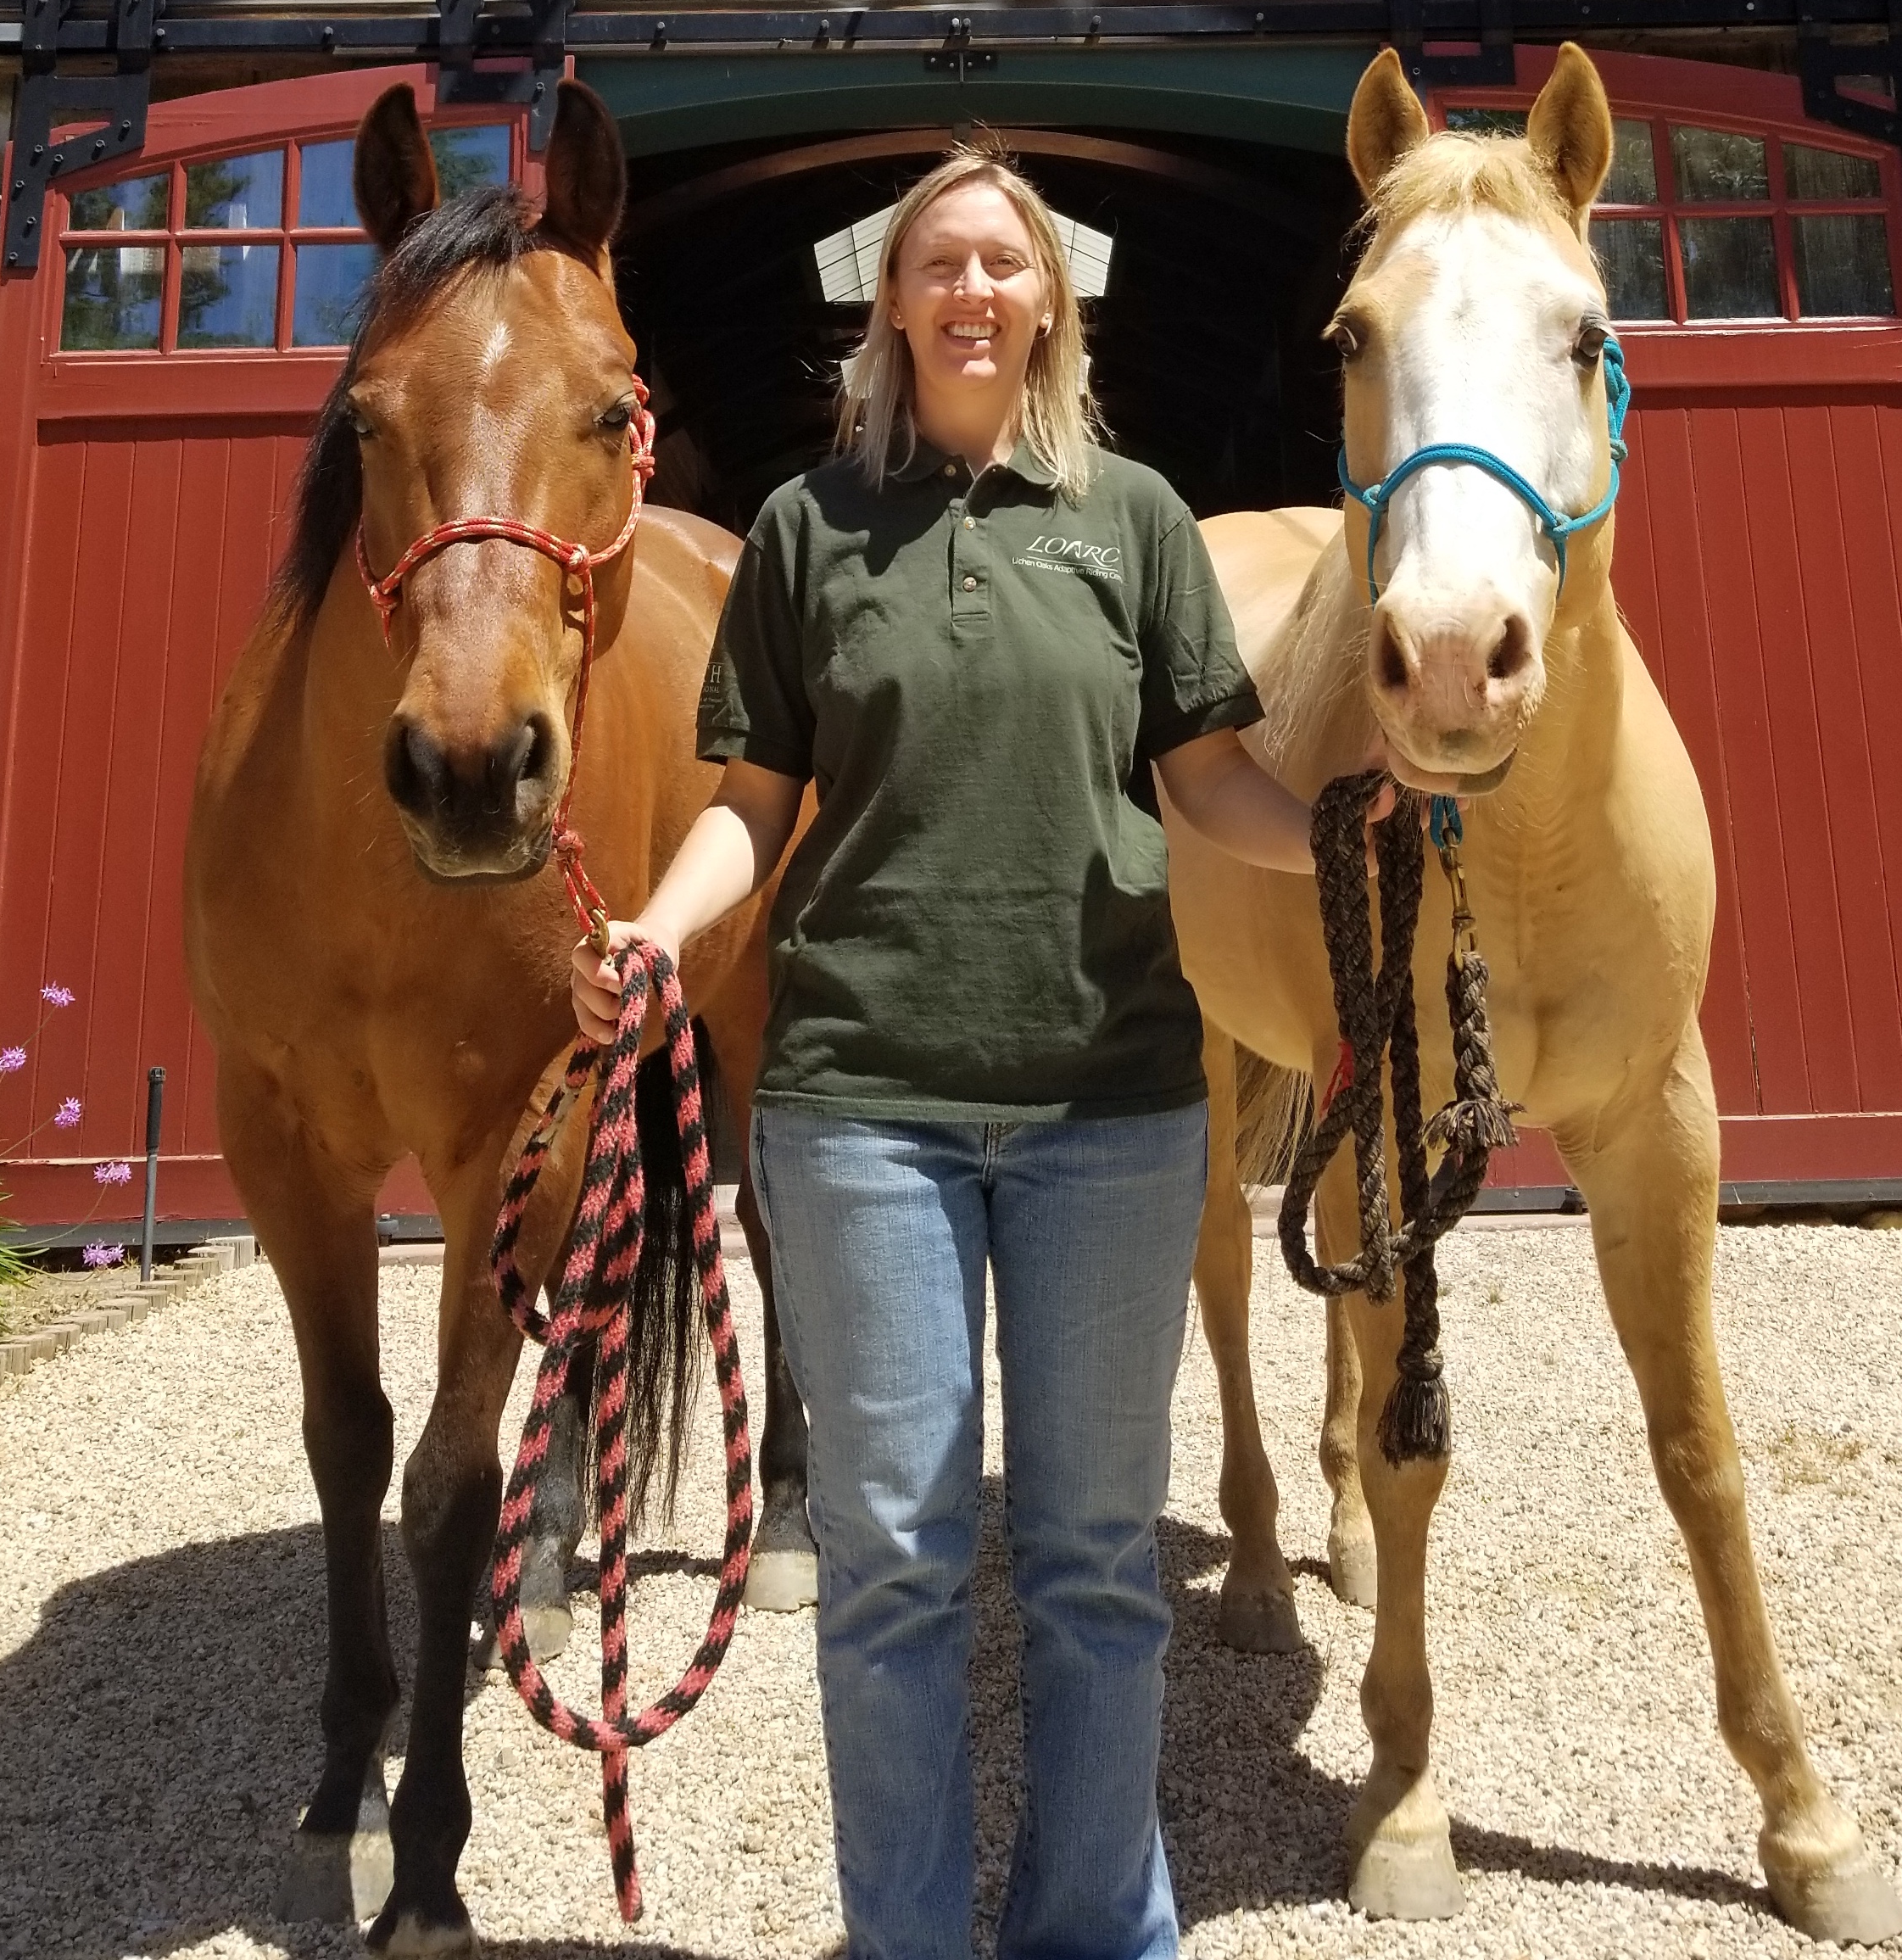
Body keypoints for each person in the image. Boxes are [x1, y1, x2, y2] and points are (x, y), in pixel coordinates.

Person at [572, 147, 1373, 1960]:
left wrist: (1346, 816)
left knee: (1097, 1567)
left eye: (1004, 262)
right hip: (865, 1112)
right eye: (940, 262)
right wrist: (655, 927)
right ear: (893, 307)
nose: (973, 289)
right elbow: (748, 802)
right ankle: (910, 1937)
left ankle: (1098, 1928)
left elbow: (1205, 779)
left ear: (1048, 305)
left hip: (1111, 1102)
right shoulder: (804, 527)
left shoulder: (1137, 520)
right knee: (898, 1568)